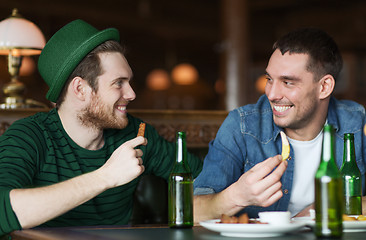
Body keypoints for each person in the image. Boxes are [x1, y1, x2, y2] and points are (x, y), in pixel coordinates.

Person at [0, 19, 202, 236]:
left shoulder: (135, 133)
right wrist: (106, 176)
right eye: (118, 83)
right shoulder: (29, 137)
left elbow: (203, 176)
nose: (132, 94)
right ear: (80, 89)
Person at [193, 28, 366, 222]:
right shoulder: (242, 125)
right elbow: (191, 210)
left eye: (288, 82)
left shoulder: (358, 124)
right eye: (269, 79)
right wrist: (235, 196)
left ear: (324, 87)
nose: (272, 94)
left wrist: (323, 206)